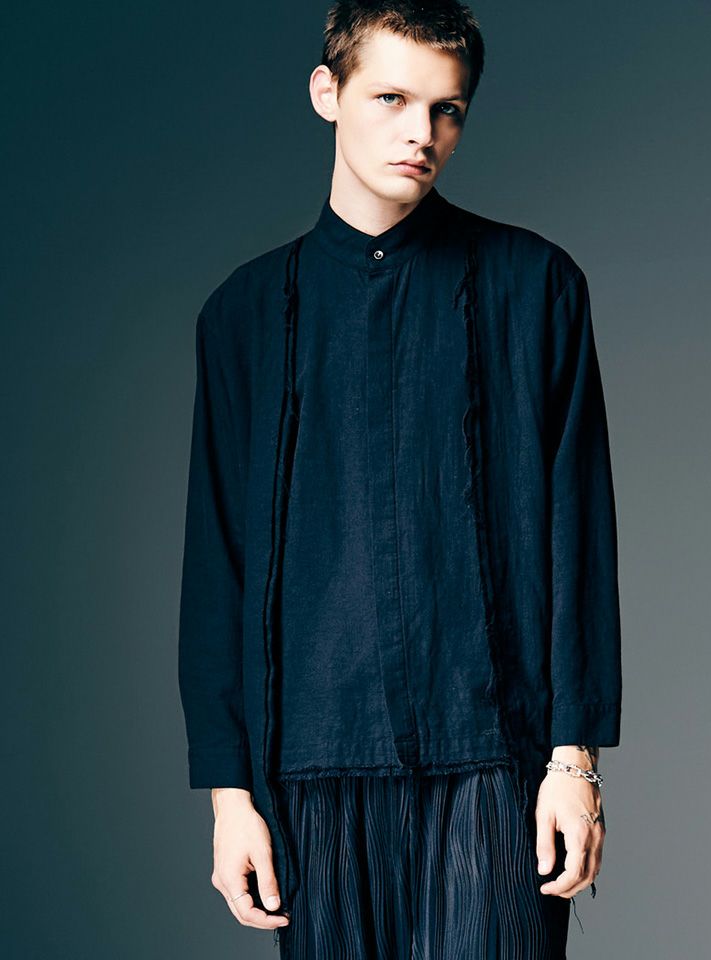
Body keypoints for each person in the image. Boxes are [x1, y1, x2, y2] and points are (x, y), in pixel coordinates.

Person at [178, 2, 622, 957]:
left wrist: (574, 761)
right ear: (326, 92)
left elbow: (577, 533)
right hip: (310, 767)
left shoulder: (534, 287)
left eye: (446, 109)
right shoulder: (243, 316)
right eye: (391, 98)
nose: (421, 133)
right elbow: (217, 563)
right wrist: (228, 797)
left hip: (497, 760)